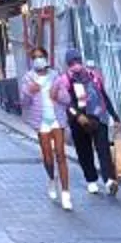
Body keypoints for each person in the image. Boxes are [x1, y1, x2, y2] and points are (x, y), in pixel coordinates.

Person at [63, 59, 119, 196]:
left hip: (98, 117)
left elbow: (103, 97)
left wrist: (115, 116)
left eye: (77, 61)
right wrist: (77, 116)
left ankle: (109, 180)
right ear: (68, 65)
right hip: (79, 122)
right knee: (84, 152)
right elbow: (65, 103)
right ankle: (91, 180)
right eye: (72, 63)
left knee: (103, 149)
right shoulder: (65, 80)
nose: (75, 65)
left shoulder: (93, 76)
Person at [33, 59, 75, 209]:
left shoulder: (56, 79)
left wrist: (56, 95)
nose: (43, 71)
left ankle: (66, 194)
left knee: (60, 154)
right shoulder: (29, 79)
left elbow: (67, 99)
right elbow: (24, 101)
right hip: (42, 121)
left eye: (45, 68)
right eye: (40, 69)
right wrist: (30, 92)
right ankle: (51, 178)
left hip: (57, 119)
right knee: (48, 157)